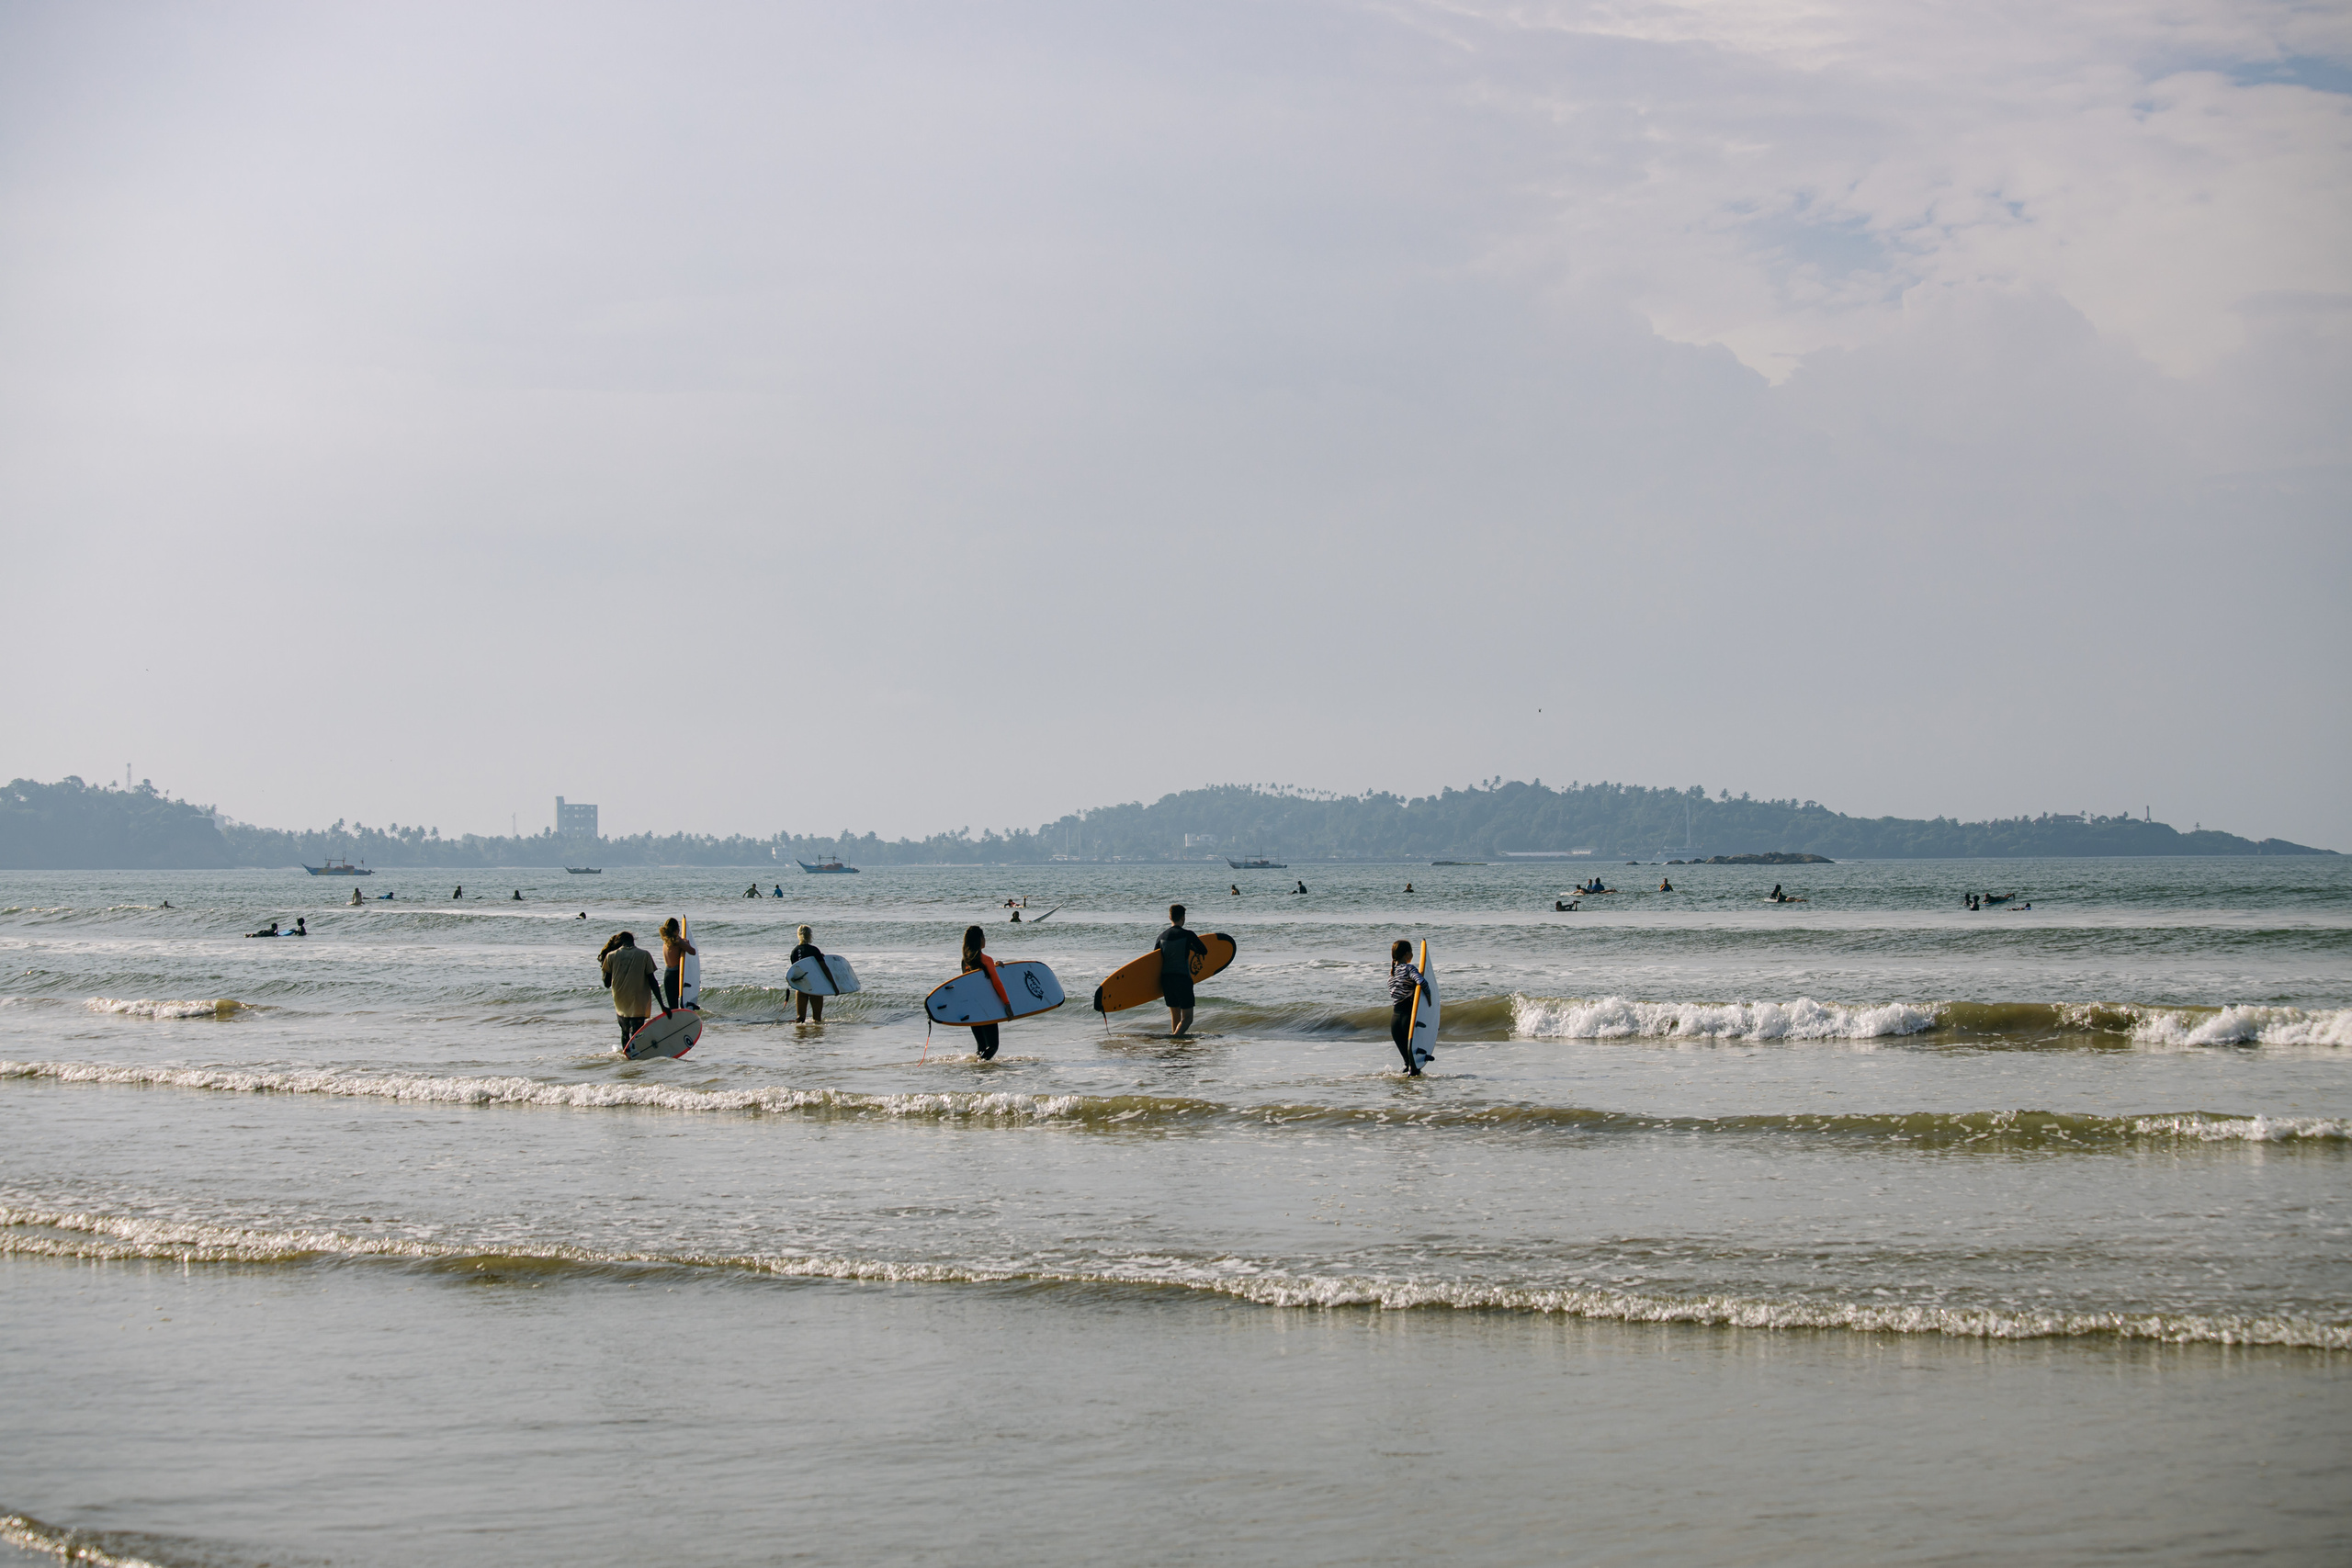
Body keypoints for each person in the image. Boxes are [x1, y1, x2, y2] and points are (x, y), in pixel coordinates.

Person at [1153, 903, 1210, 1037]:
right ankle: (1175, 1039)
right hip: (1182, 979)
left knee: (1176, 1016)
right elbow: (1204, 951)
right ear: (1183, 918)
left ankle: (1176, 1048)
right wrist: (1190, 947)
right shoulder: (1188, 935)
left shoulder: (1161, 937)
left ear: (1169, 917)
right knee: (1188, 1018)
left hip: (1166, 981)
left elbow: (1154, 960)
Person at [599, 931, 662, 1051]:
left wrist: (603, 966)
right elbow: (653, 981)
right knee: (637, 1033)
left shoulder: (611, 956)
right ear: (633, 941)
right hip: (638, 1000)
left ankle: (628, 1059)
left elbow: (606, 984)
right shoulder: (644, 955)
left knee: (624, 1032)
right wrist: (662, 1005)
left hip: (620, 1000)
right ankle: (637, 1059)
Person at [960, 925, 1009, 1060]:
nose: (985, 939)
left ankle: (978, 1070)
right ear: (979, 940)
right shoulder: (986, 960)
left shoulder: (965, 961)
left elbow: (974, 982)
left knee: (981, 1046)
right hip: (986, 1008)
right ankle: (980, 1065)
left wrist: (993, 967)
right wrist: (1007, 1004)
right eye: (983, 937)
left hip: (972, 1008)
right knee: (993, 1046)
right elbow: (997, 984)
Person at [1387, 939, 1428, 1076]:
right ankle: (1415, 1094)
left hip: (1395, 1021)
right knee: (1415, 1068)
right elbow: (1421, 982)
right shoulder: (1409, 968)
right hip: (1407, 1017)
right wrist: (1429, 1000)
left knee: (1408, 1064)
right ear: (1406, 954)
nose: (1413, 954)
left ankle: (1405, 1093)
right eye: (1411, 951)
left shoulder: (1392, 973)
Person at [789, 925, 829, 1023]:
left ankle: (800, 1036)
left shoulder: (794, 951)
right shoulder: (814, 950)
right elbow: (825, 969)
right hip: (815, 986)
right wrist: (834, 985)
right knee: (817, 1020)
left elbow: (796, 971)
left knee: (800, 1019)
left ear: (798, 935)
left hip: (801, 987)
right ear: (810, 935)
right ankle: (815, 1038)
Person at [658, 918, 696, 1011]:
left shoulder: (666, 941)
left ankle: (673, 1024)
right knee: (681, 1003)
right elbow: (692, 951)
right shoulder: (677, 941)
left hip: (667, 975)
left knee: (672, 1006)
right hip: (676, 974)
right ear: (676, 929)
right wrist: (686, 943)